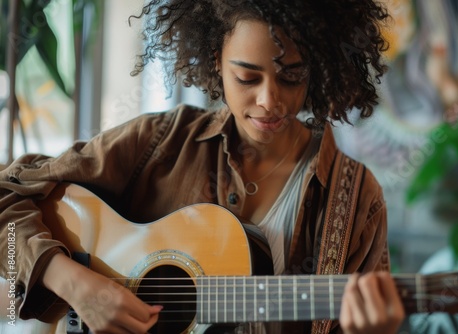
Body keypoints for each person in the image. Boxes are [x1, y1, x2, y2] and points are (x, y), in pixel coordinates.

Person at [0, 0, 405, 333]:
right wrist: (72, 281)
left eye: (292, 76)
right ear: (216, 63)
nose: (269, 100)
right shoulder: (159, 141)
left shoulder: (354, 199)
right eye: (247, 77)